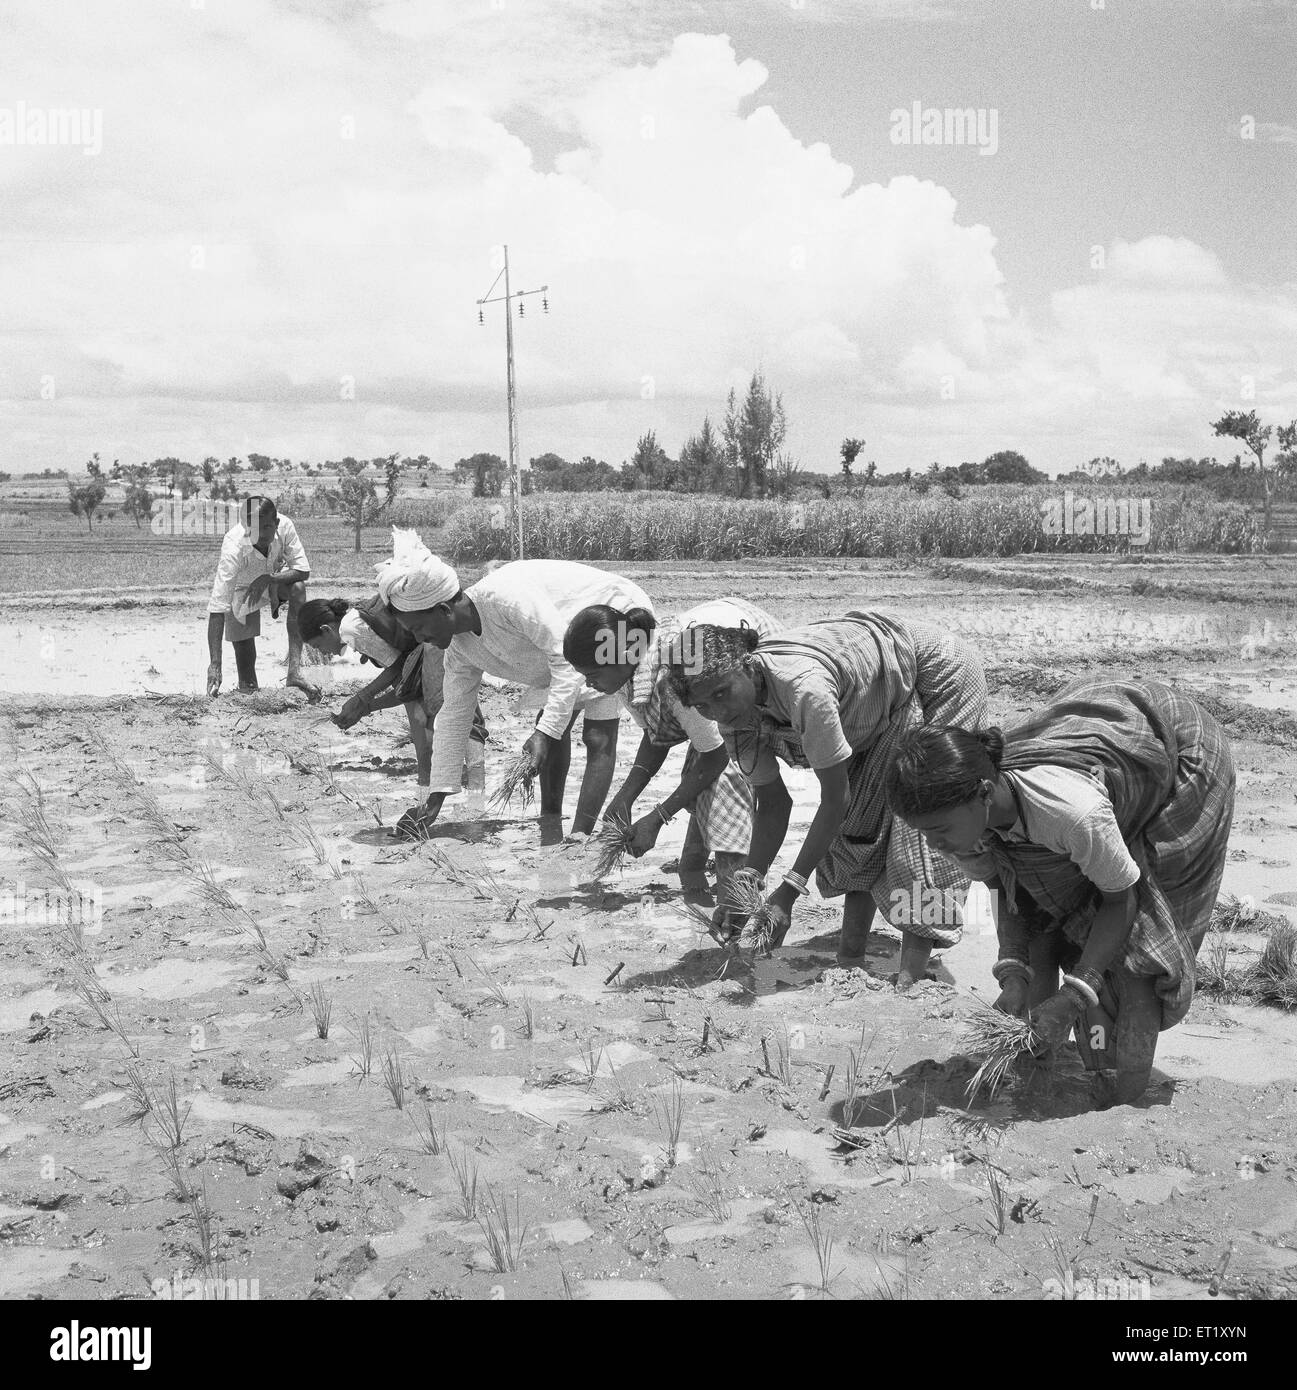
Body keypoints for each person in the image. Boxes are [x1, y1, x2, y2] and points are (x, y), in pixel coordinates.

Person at [884, 679, 1235, 1107]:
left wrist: (1073, 995)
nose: (934, 845)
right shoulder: (961, 826)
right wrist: (1013, 974)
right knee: (1047, 933)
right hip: (1093, 775)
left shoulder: (1069, 812)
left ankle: (1125, 1102)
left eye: (938, 832)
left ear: (981, 795)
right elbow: (1009, 892)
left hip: (1181, 758)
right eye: (925, 833)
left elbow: (1119, 900)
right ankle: (1048, 1073)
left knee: (1137, 953)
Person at [663, 611, 987, 989]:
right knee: (858, 827)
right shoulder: (735, 721)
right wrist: (748, 884)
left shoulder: (804, 689)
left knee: (917, 832)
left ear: (749, 668)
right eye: (703, 706)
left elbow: (835, 799)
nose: (718, 711)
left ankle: (912, 978)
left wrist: (788, 891)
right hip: (870, 703)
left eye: (722, 693)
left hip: (938, 674)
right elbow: (773, 802)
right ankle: (850, 959)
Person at [374, 537, 654, 839]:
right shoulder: (458, 649)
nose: (419, 638)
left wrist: (544, 733)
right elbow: (454, 715)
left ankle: (579, 834)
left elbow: (561, 655)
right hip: (563, 644)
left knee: (595, 735)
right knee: (549, 727)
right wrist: (433, 802)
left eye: (418, 628)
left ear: (444, 610)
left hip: (611, 617)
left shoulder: (505, 600)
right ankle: (551, 820)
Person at [564, 596, 780, 901]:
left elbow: (716, 754)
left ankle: (739, 890)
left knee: (727, 777)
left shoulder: (677, 674)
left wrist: (657, 818)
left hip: (756, 663)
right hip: (718, 698)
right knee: (702, 771)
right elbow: (657, 736)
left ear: (623, 654)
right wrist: (625, 797)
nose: (588, 685)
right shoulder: (630, 678)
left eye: (593, 675)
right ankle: (697, 868)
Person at [298, 595, 488, 789]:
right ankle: (438, 782)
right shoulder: (357, 622)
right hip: (432, 642)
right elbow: (407, 686)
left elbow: (399, 669)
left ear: (326, 629)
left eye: (318, 646)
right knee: (433, 718)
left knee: (448, 714)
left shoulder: (350, 629)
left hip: (436, 642)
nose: (322, 653)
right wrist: (365, 706)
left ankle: (472, 788)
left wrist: (363, 697)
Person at [205, 495, 319, 700]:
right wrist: (215, 664)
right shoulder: (234, 544)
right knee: (247, 680)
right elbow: (218, 604)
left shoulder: (285, 526)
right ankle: (248, 691)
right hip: (242, 592)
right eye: (255, 529)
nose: (262, 534)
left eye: (267, 527)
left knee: (298, 589)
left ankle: (294, 673)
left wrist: (269, 579)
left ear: (276, 523)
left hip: (274, 580)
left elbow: (303, 571)